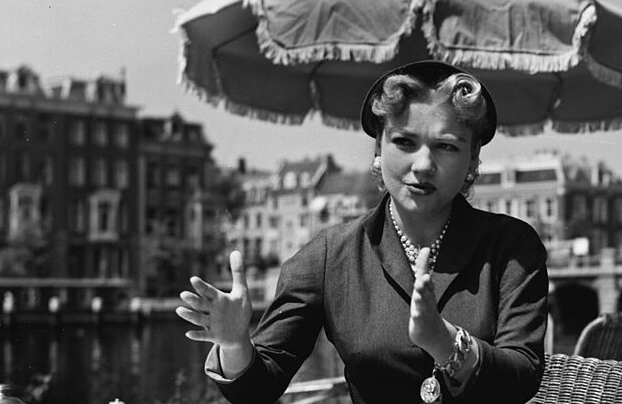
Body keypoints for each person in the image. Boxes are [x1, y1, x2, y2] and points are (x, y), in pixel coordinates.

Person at [177, 60, 549, 403]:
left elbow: (524, 375)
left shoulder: (512, 247)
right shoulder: (329, 256)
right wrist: (234, 344)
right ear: (378, 148)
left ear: (472, 162)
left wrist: (448, 344)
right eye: (404, 142)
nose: (423, 165)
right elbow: (257, 389)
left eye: (446, 147)